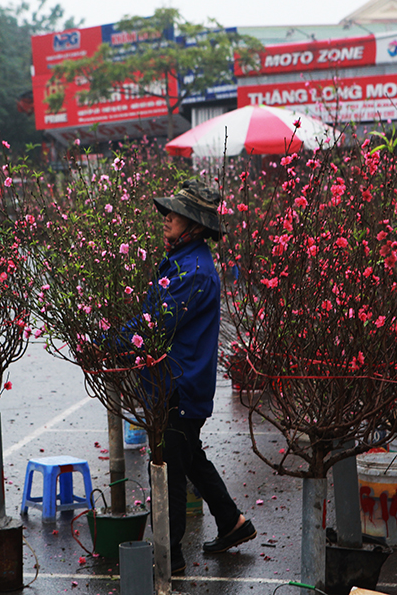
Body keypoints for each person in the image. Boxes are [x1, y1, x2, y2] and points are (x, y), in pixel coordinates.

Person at [147, 180, 257, 574]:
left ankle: (169, 558)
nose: (166, 218)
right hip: (179, 381)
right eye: (168, 211)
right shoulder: (182, 261)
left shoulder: (193, 271)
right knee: (189, 456)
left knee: (171, 468)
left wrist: (108, 340)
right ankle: (232, 522)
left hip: (181, 385)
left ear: (193, 225)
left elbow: (155, 325)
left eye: (175, 214)